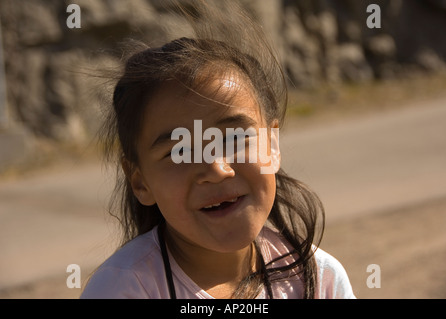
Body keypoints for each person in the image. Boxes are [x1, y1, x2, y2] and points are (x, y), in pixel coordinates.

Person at [81, 1, 355, 299]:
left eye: (234, 139)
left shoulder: (318, 277)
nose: (215, 169)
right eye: (181, 151)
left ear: (272, 147)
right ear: (140, 182)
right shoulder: (124, 288)